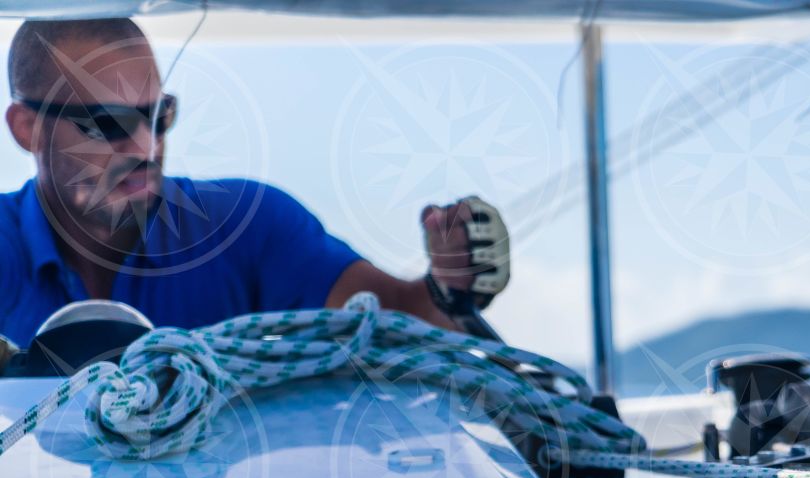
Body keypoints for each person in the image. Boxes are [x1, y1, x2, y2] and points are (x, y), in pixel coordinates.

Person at [0, 17, 504, 369]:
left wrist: (446, 287)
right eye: (107, 122)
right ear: (27, 129)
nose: (148, 147)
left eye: (160, 116)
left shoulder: (247, 227)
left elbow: (403, 326)